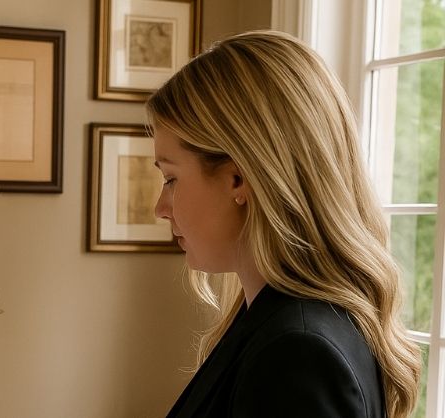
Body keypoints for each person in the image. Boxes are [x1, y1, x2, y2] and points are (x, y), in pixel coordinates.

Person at [148, 31, 421, 418]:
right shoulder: (275, 323)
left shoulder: (298, 351)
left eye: (171, 178)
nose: (161, 208)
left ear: (237, 179)